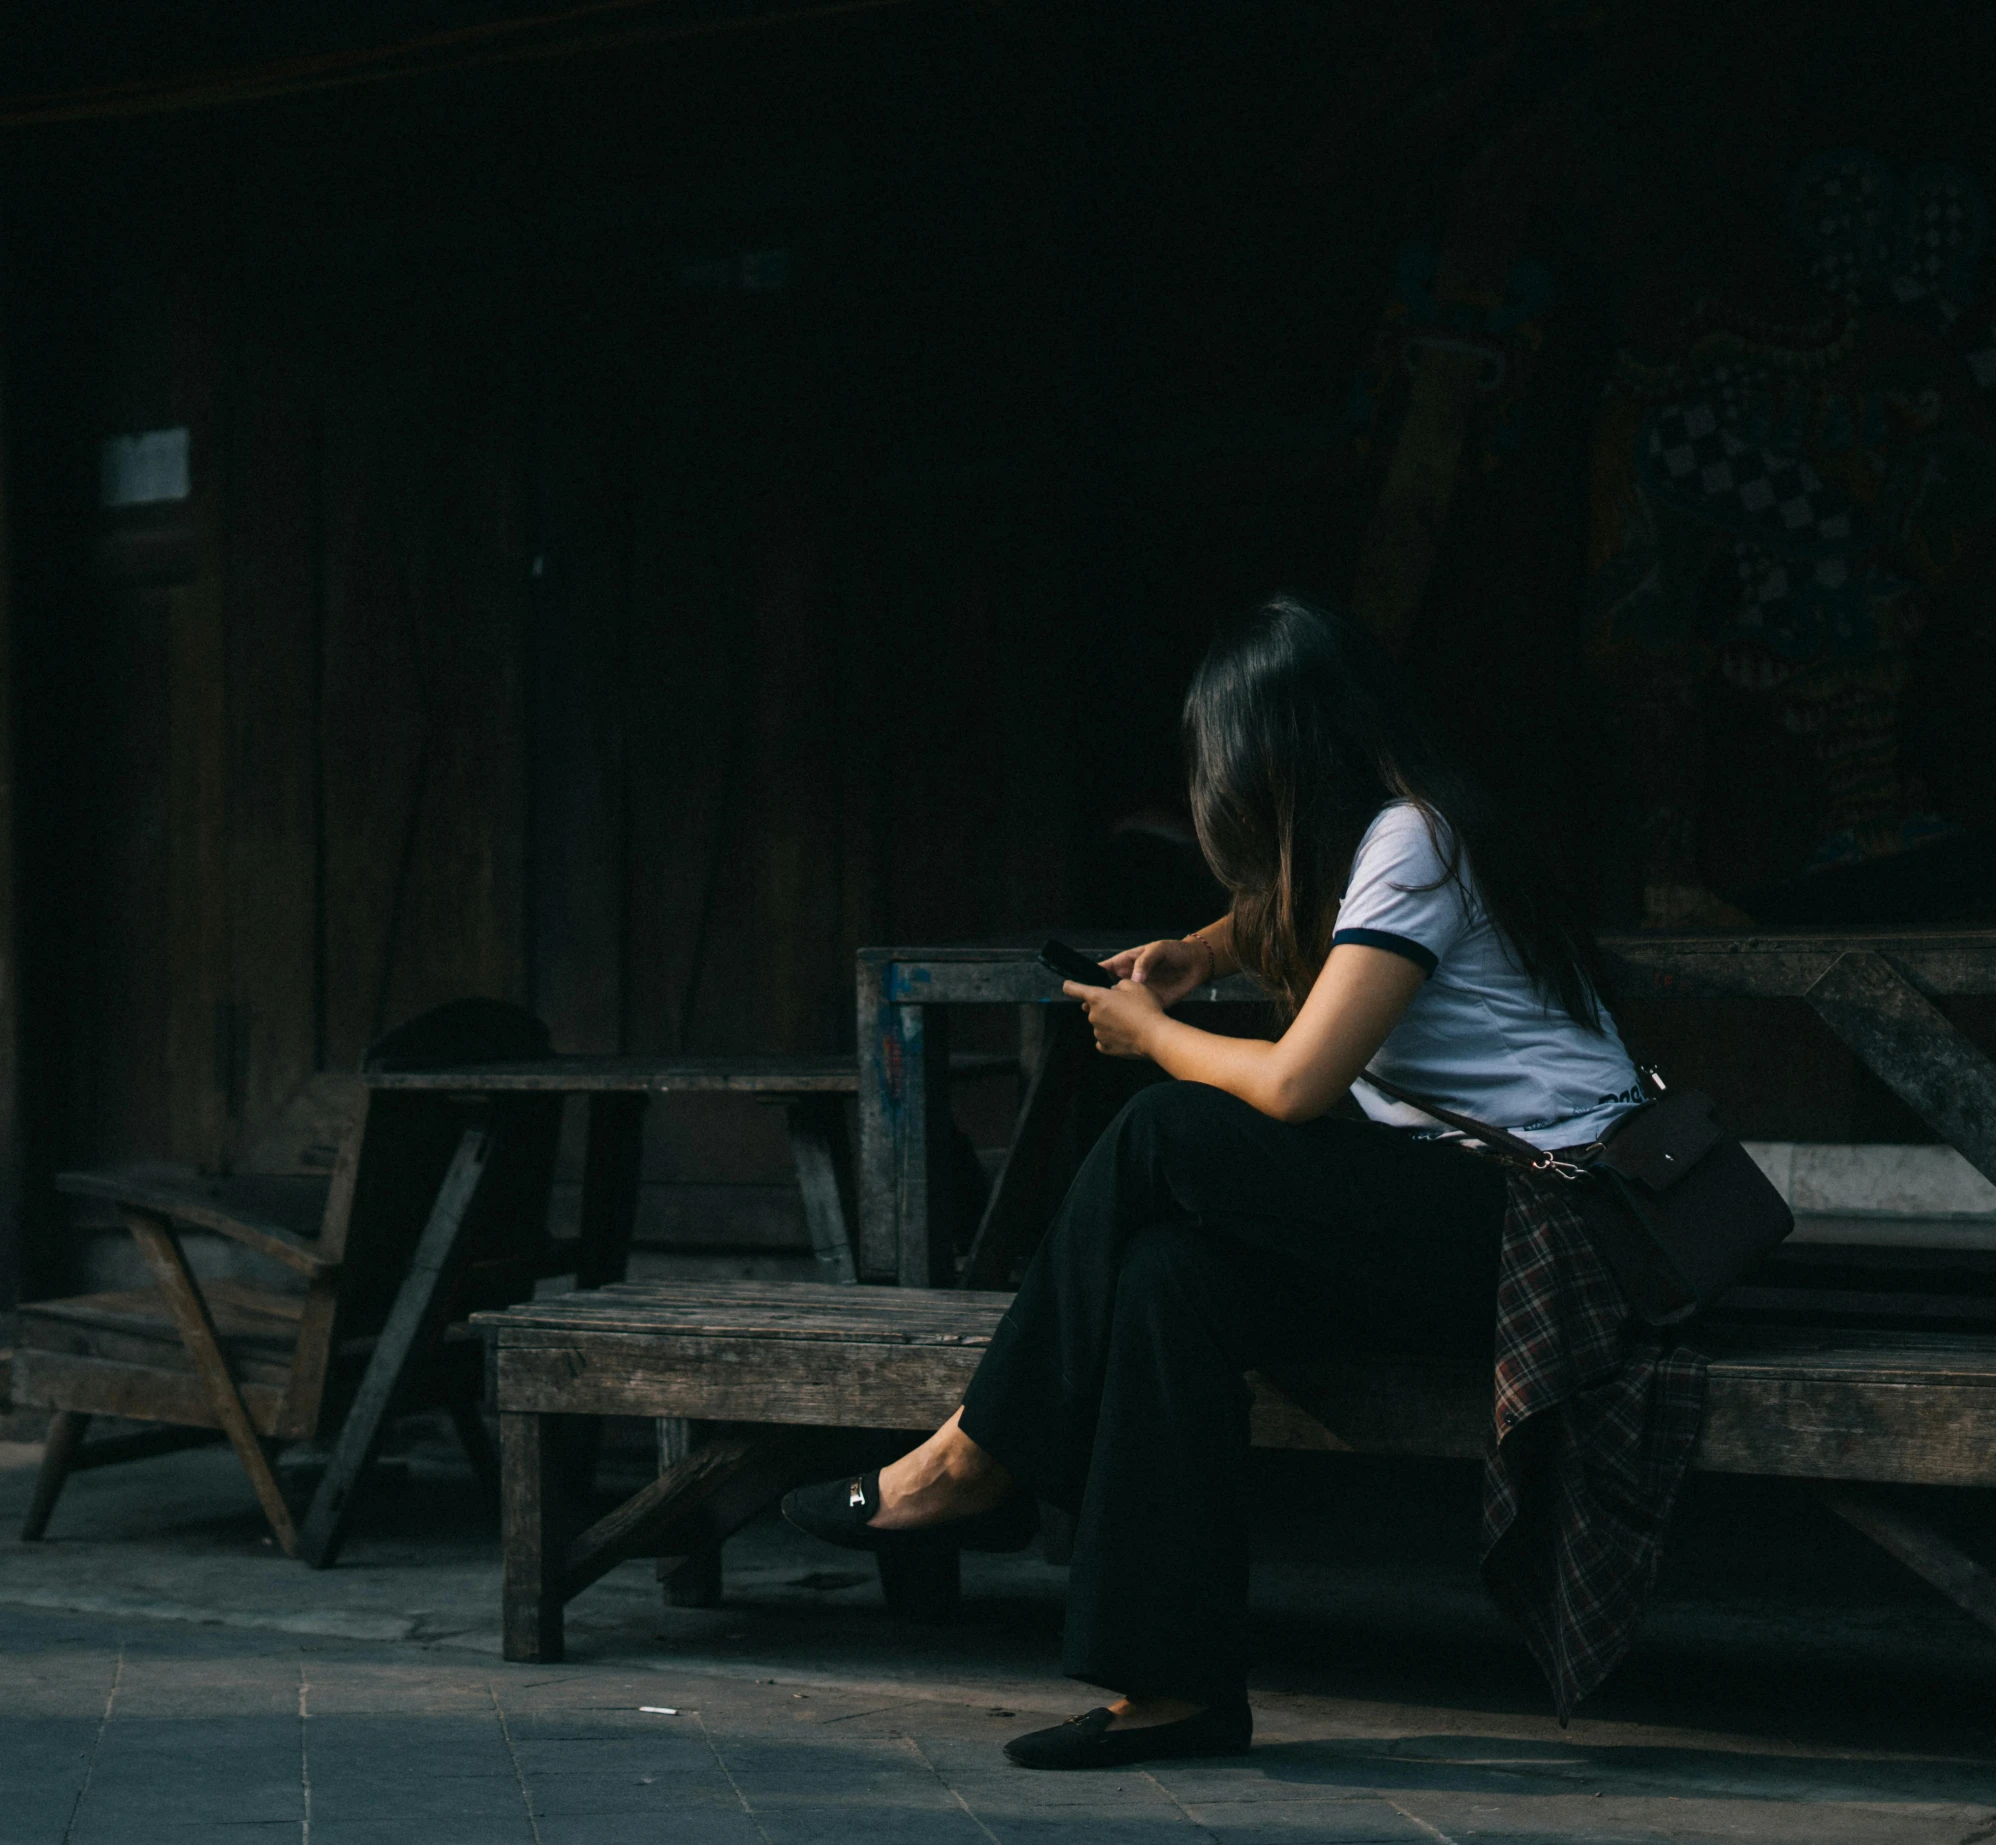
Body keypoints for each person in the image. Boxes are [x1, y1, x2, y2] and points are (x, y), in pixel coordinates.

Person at [783, 594, 1646, 1769]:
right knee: (1168, 1276)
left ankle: (971, 1459)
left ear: (1273, 760)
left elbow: (1296, 1086)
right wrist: (1198, 950)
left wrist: (1149, 1030)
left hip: (1561, 1232)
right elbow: (1302, 911)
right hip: (1474, 1216)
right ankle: (1173, 1688)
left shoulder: (1414, 841)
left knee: (1163, 1134)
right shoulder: (1389, 841)